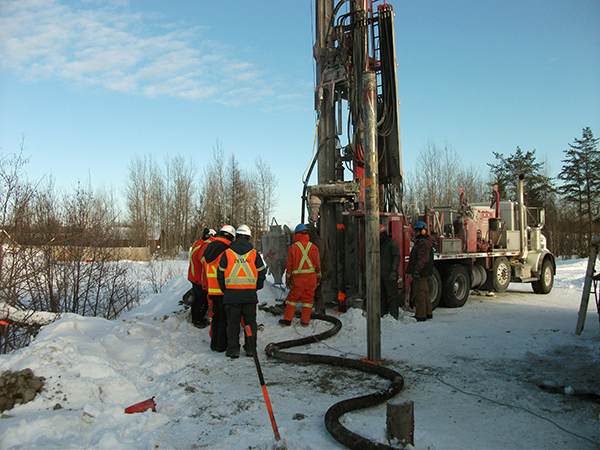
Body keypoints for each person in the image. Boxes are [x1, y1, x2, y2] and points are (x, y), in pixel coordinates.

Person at [217, 225, 266, 359]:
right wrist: (258, 286)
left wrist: (225, 289)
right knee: (250, 322)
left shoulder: (227, 253)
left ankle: (233, 349)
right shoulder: (254, 253)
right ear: (249, 237)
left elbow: (220, 273)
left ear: (237, 236)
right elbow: (262, 270)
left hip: (231, 294)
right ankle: (250, 348)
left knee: (233, 323)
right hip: (249, 294)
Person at [279, 224, 322, 327]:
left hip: (299, 279)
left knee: (292, 299)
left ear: (297, 234)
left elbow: (289, 266)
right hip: (311, 278)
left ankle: (287, 319)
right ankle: (305, 321)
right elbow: (318, 265)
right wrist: (319, 278)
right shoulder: (313, 247)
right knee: (308, 300)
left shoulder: (293, 248)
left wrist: (288, 279)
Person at [203, 224, 235, 351]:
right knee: (224, 318)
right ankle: (221, 345)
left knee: (215, 317)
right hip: (223, 289)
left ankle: (214, 344)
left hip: (212, 288)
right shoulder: (226, 250)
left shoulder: (209, 247)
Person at [405, 221, 434, 321]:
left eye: (417, 231)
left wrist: (417, 270)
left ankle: (421, 315)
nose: (415, 233)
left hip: (421, 271)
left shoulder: (424, 243)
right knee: (424, 292)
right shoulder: (423, 242)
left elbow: (423, 258)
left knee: (419, 292)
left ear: (422, 231)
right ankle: (428, 312)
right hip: (423, 271)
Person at [188, 228, 216, 327]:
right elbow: (204, 260)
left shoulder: (198, 243)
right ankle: (198, 319)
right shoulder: (203, 246)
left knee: (197, 299)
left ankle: (195, 318)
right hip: (199, 277)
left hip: (194, 276)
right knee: (202, 299)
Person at [307, 222, 332, 315]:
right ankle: (318, 310)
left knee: (317, 291)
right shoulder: (315, 242)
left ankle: (320, 311)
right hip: (319, 270)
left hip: (322, 270)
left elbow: (318, 259)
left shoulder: (318, 243)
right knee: (316, 290)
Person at [379, 224, 401, 319]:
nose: (378, 238)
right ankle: (383, 313)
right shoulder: (379, 245)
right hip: (381, 274)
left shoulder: (392, 244)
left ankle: (394, 315)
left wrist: (393, 271)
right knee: (382, 295)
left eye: (379, 235)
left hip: (389, 274)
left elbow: (396, 258)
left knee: (392, 296)